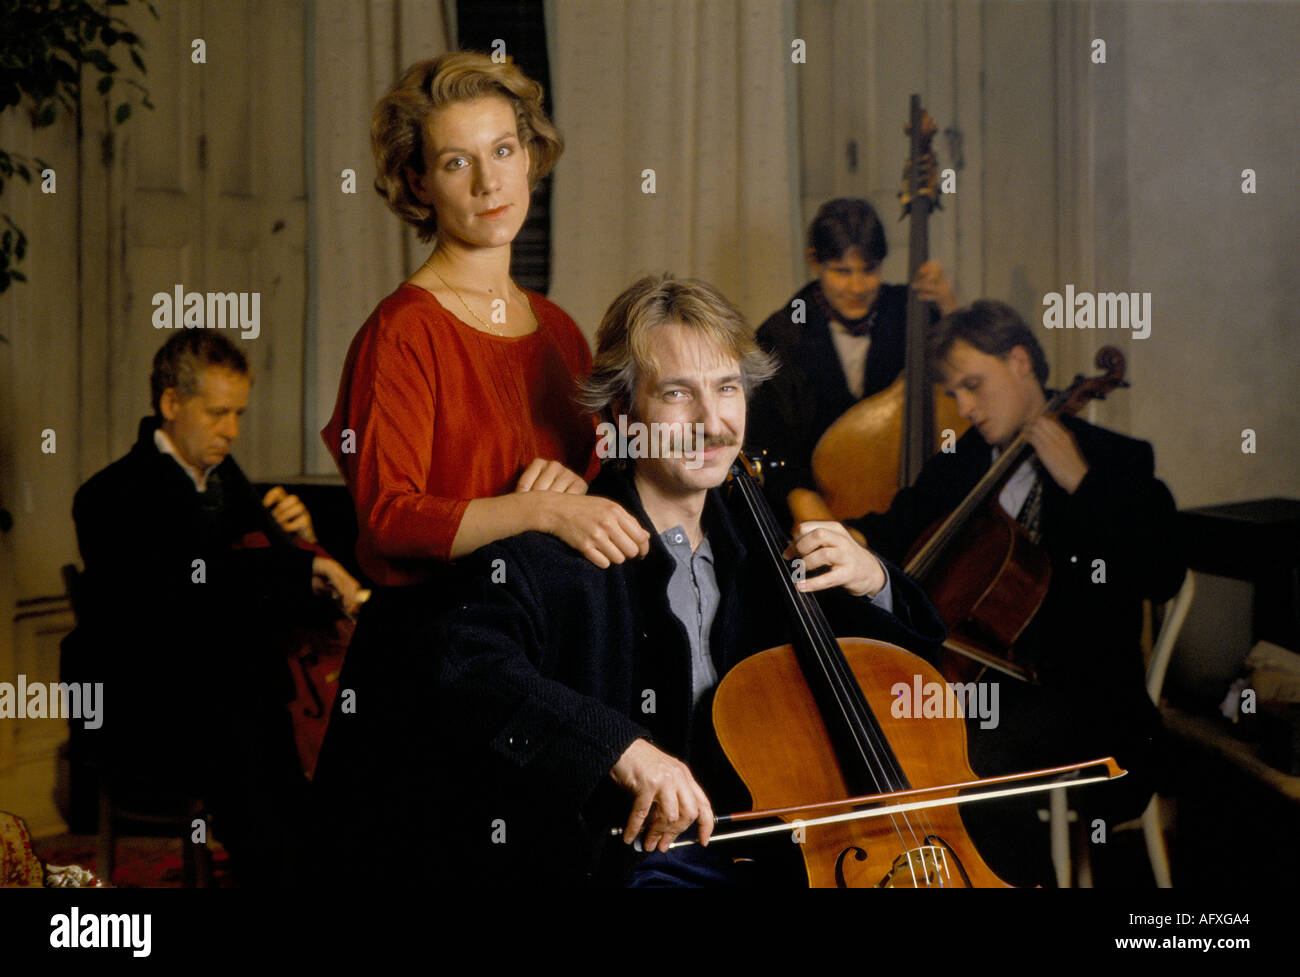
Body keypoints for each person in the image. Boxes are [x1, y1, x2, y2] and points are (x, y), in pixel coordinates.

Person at [425, 274, 946, 887]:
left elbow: (918, 670)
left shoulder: (770, 549)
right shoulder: (561, 552)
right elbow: (461, 666)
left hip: (781, 861)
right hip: (623, 869)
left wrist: (875, 578)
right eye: (677, 393)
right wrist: (619, 748)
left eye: (727, 388)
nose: (712, 421)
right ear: (623, 412)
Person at [310, 52, 649, 876]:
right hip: (427, 677)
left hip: (535, 675)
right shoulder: (404, 331)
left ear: (530, 156)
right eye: (455, 161)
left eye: (503, 150)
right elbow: (388, 517)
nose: (486, 180)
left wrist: (569, 492)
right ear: (419, 184)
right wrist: (538, 509)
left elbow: (587, 497)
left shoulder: (562, 332)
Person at [845, 299, 1186, 885]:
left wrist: (1083, 484)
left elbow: (1162, 572)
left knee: (969, 752)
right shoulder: (964, 464)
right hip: (982, 688)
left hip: (1083, 700)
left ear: (1021, 360)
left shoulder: (1115, 461)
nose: (966, 408)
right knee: (884, 732)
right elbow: (894, 530)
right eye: (955, 394)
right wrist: (841, 538)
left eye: (974, 385)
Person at [67, 330, 362, 885]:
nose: (232, 431)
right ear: (171, 404)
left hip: (239, 702)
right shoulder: (110, 497)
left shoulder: (225, 480)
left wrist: (299, 540)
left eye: (239, 414)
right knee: (266, 769)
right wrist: (295, 568)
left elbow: (257, 591)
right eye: (218, 413)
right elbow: (182, 591)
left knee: (342, 754)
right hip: (158, 716)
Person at [745, 198, 958, 524]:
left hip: (914, 511)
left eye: (869, 270)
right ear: (815, 262)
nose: (857, 287)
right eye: (842, 272)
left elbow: (973, 371)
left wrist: (949, 308)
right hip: (820, 514)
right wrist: (807, 506)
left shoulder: (912, 313)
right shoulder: (781, 336)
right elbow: (770, 446)